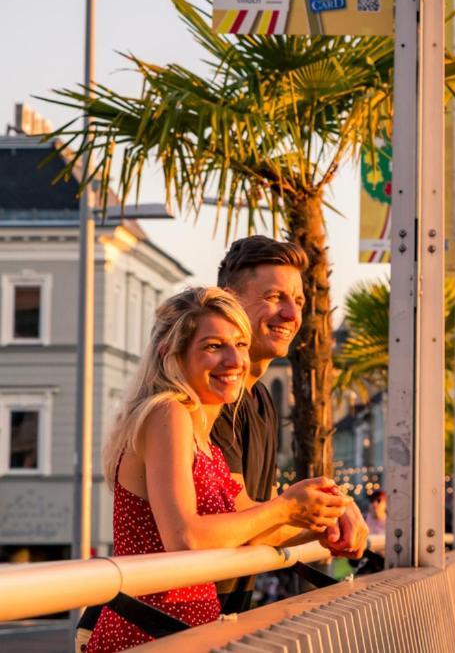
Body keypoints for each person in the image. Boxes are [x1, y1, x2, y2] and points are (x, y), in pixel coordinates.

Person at [86, 288, 349, 653]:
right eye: (213, 346)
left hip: (180, 631)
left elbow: (250, 524)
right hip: (151, 633)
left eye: (240, 344)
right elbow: (185, 537)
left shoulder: (201, 435)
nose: (234, 360)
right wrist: (287, 506)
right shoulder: (168, 413)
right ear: (171, 352)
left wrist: (325, 522)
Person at [211, 236, 368, 612]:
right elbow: (238, 522)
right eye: (273, 297)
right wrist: (325, 518)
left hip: (218, 620)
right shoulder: (212, 397)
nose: (292, 315)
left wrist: (328, 513)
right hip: (165, 628)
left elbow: (256, 520)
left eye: (297, 301)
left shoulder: (261, 401)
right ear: (228, 301)